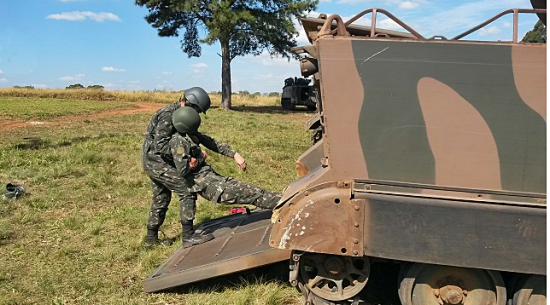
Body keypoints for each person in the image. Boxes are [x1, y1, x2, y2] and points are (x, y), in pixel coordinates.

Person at [168, 107, 281, 248]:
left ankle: (283, 199)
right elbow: (183, 169)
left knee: (251, 190)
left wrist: (234, 154)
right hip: (210, 186)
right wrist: (198, 158)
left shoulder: (187, 135)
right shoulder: (178, 142)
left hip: (213, 179)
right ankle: (284, 202)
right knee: (250, 194)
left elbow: (211, 142)